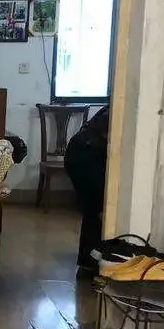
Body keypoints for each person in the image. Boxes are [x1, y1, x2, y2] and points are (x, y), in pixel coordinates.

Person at [65, 105, 110, 278]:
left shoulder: (113, 107)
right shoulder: (122, 107)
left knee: (93, 210)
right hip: (86, 155)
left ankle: (89, 263)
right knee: (96, 210)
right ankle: (90, 264)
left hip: (79, 152)